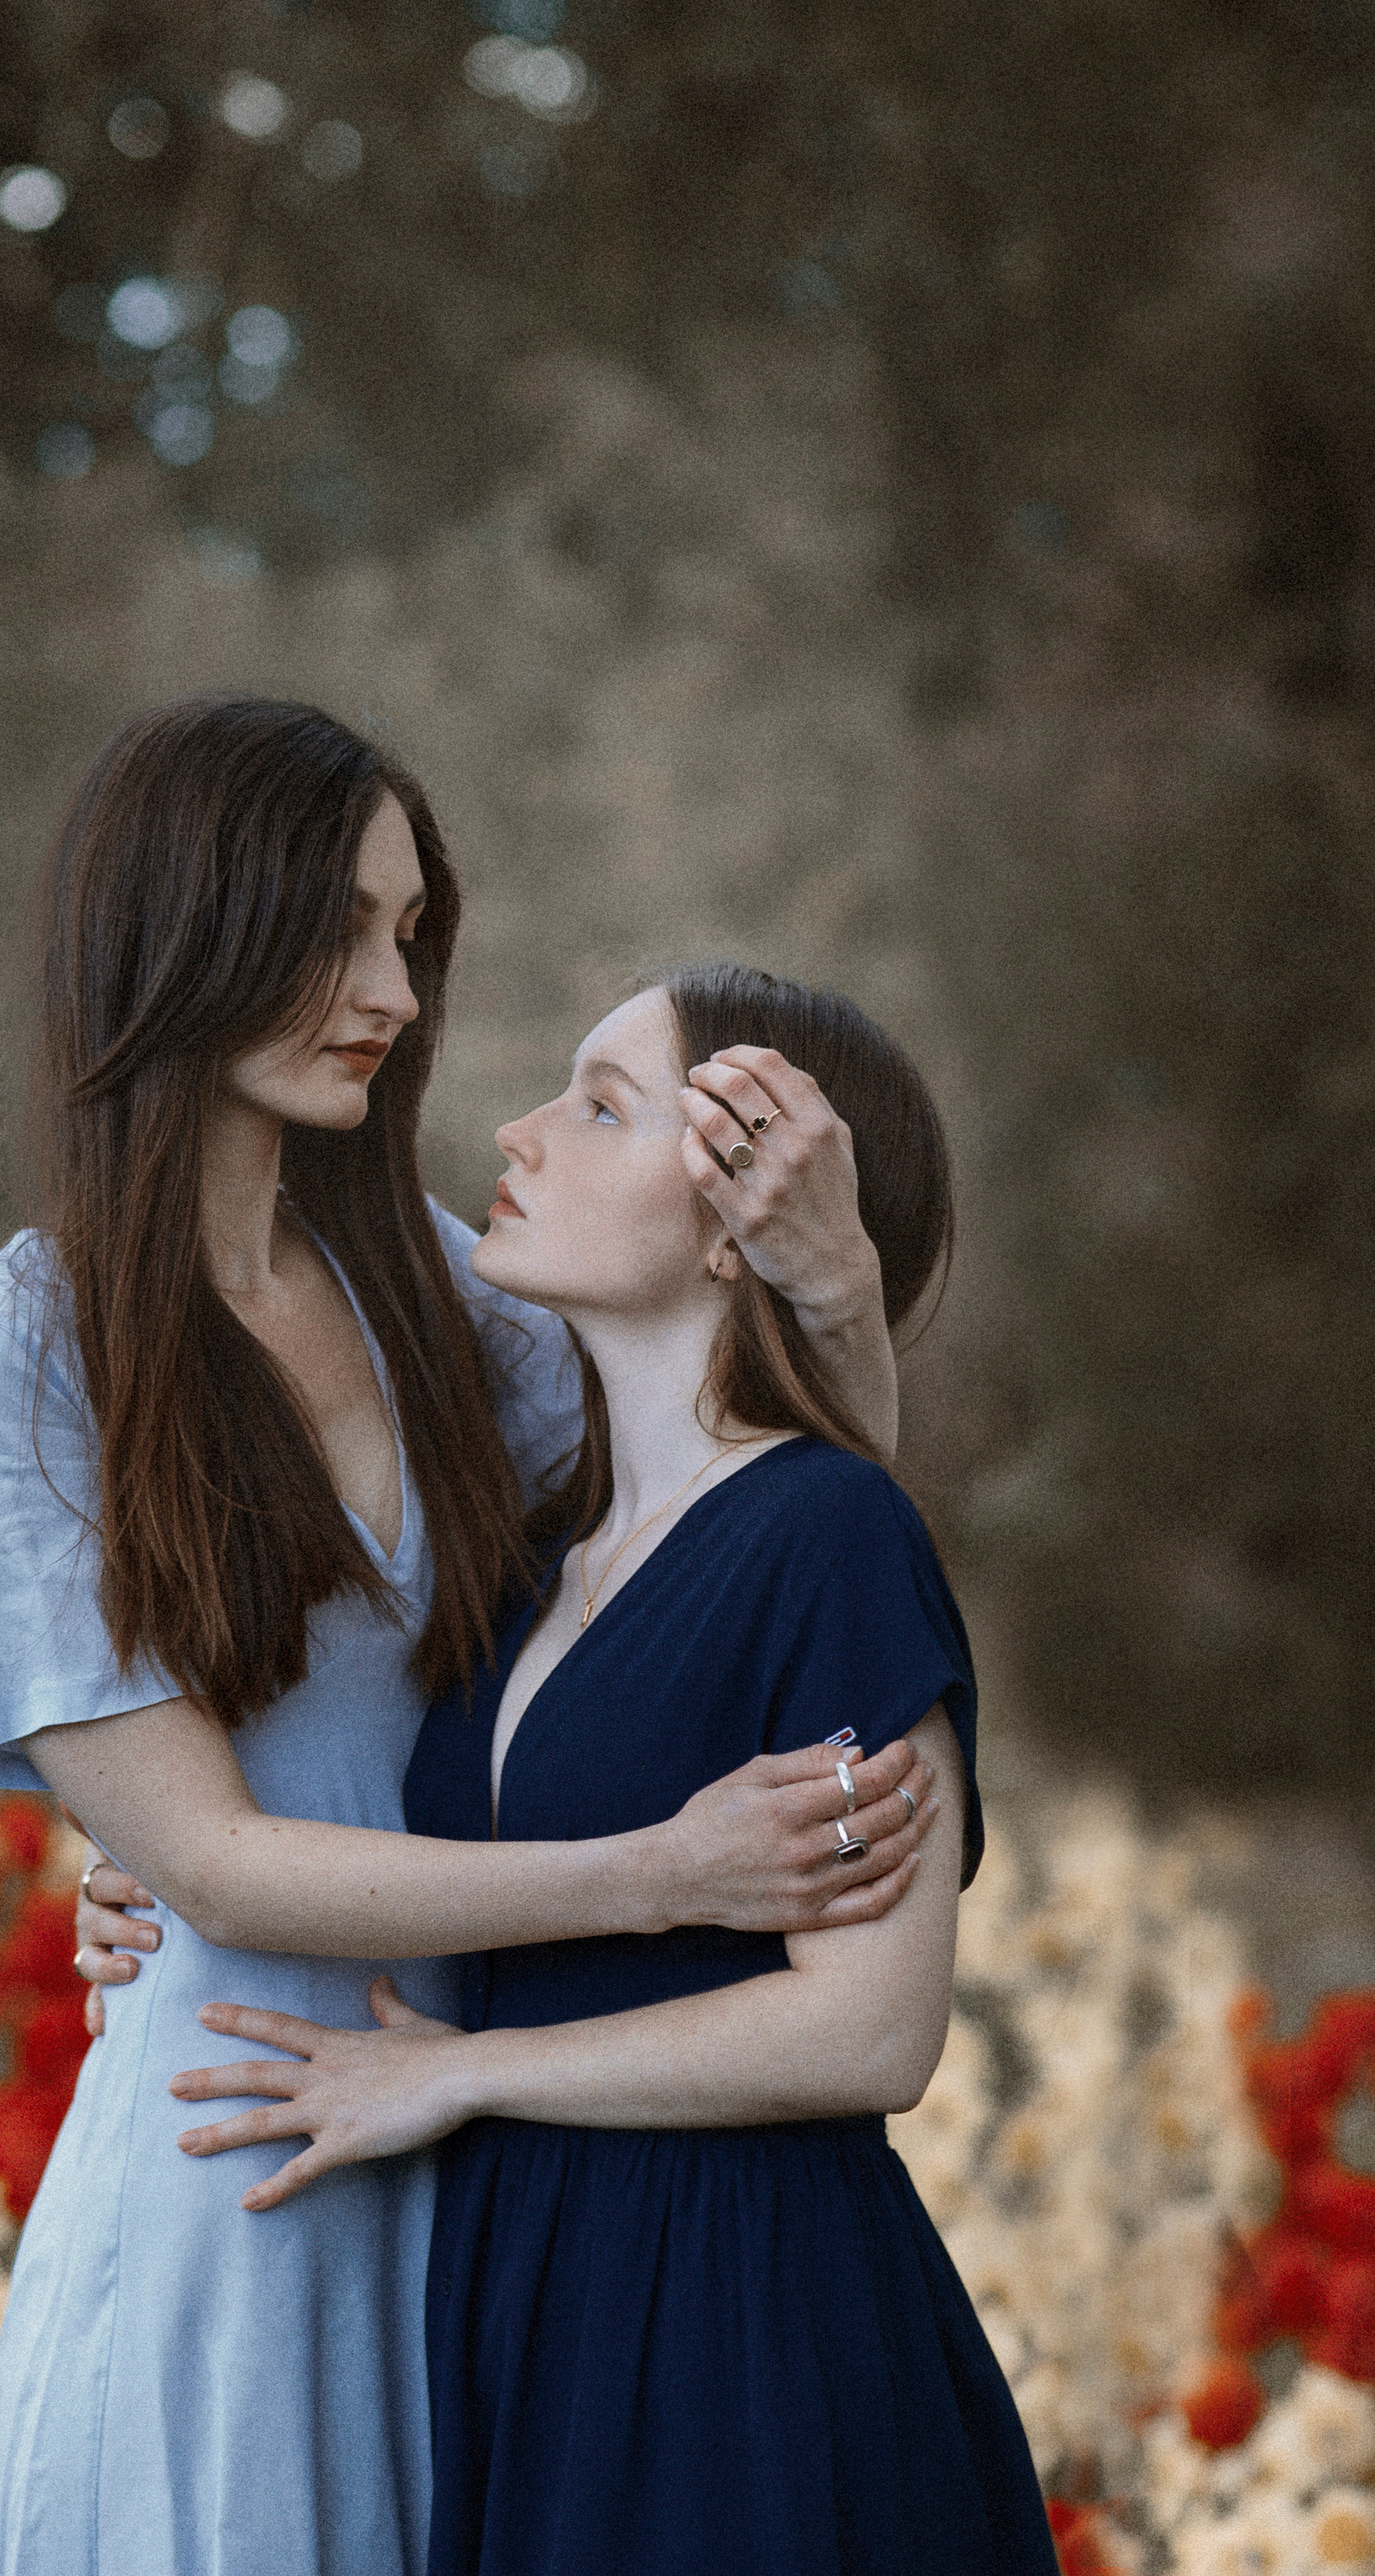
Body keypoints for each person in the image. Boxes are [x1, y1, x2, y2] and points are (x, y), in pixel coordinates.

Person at [0, 697, 933, 2576]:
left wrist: (839, 1280)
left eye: (407, 931)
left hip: (492, 2153)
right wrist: (654, 1871)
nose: (388, 986)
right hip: (246, 2145)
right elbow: (216, 1853)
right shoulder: (36, 1346)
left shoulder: (451, 1297)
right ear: (188, 920)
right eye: (340, 927)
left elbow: (770, 1501)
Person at [161, 961, 1058, 2576]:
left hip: (743, 2321)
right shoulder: (525, 1559)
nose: (516, 1128)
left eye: (596, 1103)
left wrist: (461, 2071)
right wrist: (142, 1853)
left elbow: (870, 2025)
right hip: (532, 2300)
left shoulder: (827, 1533)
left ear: (735, 1219)